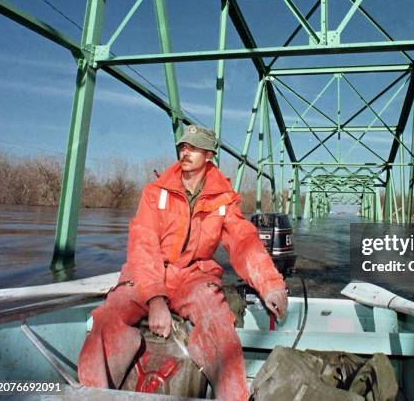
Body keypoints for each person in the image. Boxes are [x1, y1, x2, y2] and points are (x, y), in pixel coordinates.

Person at [77, 124, 288, 400]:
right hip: (148, 274)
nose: (185, 151)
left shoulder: (223, 199)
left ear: (209, 154)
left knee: (219, 327)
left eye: (194, 147)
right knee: (107, 317)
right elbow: (144, 247)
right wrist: (155, 299)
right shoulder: (155, 193)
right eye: (183, 146)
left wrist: (271, 284)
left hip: (194, 277)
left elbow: (243, 242)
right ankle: (92, 394)